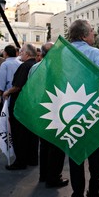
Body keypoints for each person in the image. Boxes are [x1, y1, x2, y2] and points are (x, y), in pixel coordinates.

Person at [62, 19, 99, 197]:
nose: (94, 35)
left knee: (75, 157)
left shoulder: (62, 53)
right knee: (96, 157)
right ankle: (95, 194)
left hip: (69, 111)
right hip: (93, 112)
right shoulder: (95, 53)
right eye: (91, 32)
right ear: (83, 35)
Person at [28, 42, 70, 188]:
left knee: (45, 143)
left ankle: (44, 175)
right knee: (57, 145)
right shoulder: (59, 69)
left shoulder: (35, 67)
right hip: (55, 110)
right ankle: (53, 177)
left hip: (39, 109)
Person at [3, 43, 39, 170]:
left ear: (27, 54)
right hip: (32, 105)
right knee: (31, 134)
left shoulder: (25, 66)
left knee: (19, 134)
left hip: (20, 106)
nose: (20, 54)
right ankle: (32, 158)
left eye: (22, 52)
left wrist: (7, 92)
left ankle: (21, 161)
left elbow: (18, 86)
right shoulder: (37, 65)